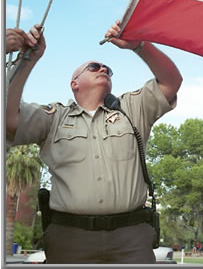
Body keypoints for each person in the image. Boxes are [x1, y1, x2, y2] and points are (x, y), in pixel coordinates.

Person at [6, 21, 183, 264]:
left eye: (108, 70)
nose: (104, 69)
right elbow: (9, 119)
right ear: (74, 83)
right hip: (69, 238)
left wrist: (139, 45)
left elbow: (171, 81)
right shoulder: (54, 117)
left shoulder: (132, 109)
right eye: (94, 67)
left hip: (130, 237)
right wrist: (27, 61)